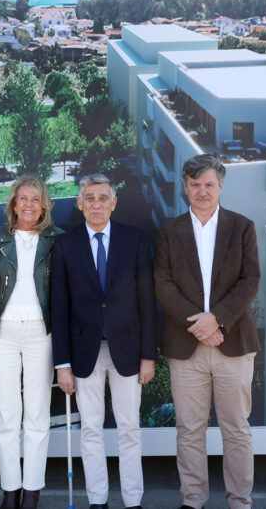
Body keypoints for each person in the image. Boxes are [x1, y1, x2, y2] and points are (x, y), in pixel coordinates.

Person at [154, 153, 260, 509]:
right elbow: (163, 284)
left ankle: (240, 501)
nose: (202, 191)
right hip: (186, 348)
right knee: (189, 430)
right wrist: (200, 325)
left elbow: (250, 280)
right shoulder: (169, 231)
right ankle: (193, 500)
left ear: (221, 186)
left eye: (209, 184)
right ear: (185, 186)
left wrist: (217, 319)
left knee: (236, 430)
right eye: (195, 184)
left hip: (233, 344)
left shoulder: (242, 227)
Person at [51, 173, 158, 509]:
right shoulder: (65, 245)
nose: (96, 204)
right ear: (79, 203)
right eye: (89, 198)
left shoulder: (135, 240)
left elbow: (147, 302)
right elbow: (59, 307)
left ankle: (132, 501)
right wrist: (62, 364)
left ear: (114, 202)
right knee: (91, 430)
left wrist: (148, 356)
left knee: (130, 429)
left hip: (127, 350)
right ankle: (97, 501)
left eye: (102, 198)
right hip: (84, 355)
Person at [0, 175, 63, 509]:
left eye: (35, 199)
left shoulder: (58, 239)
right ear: (13, 203)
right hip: (4, 335)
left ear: (44, 206)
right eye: (22, 198)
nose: (28, 205)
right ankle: (10, 490)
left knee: (38, 415)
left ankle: (32, 491)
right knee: (7, 416)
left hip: (42, 334)